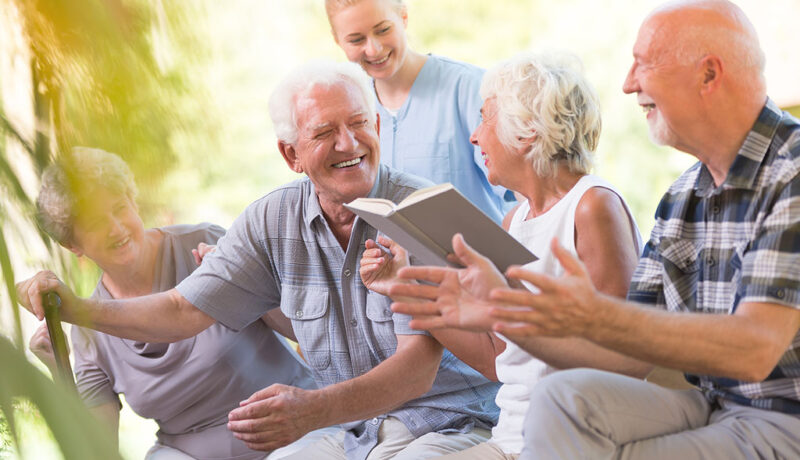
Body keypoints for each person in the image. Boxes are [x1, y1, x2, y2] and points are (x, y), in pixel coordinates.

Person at [17, 62, 499, 460]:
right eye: (326, 132)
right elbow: (183, 311)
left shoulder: (421, 211)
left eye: (357, 124)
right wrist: (75, 310)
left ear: (376, 126)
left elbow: (416, 369)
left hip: (449, 422)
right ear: (292, 155)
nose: (348, 144)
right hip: (353, 433)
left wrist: (312, 410)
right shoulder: (273, 220)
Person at [394, 1, 800, 458]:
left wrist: (594, 315)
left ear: (708, 75)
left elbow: (756, 349)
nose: (628, 84)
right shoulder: (684, 197)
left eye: (643, 65)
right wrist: (501, 313)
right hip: (714, 402)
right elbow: (625, 352)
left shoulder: (791, 172)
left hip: (783, 417)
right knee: (561, 402)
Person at [362, 52, 649, 460]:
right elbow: (500, 361)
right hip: (511, 439)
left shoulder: (591, 206)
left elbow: (626, 359)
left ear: (527, 130)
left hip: (573, 441)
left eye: (485, 118)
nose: (475, 135)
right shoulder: (514, 220)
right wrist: (406, 285)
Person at [27, 147, 326, 460]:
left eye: (119, 208)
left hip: (293, 435)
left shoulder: (203, 244)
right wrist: (56, 368)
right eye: (95, 223)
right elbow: (96, 450)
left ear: (133, 199)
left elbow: (304, 332)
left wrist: (244, 287)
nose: (116, 228)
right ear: (72, 243)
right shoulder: (89, 328)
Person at [325, 0, 514, 224]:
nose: (373, 49)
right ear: (337, 40)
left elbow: (522, 192)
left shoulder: (469, 89)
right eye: (356, 40)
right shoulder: (352, 107)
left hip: (475, 256)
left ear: (404, 17)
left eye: (383, 30)